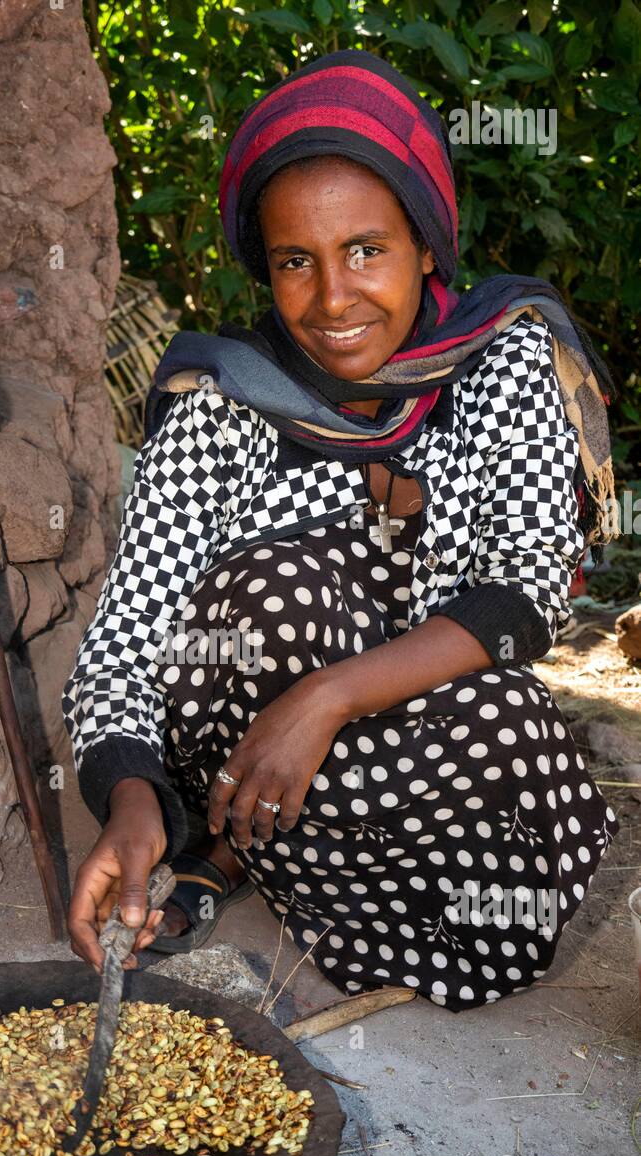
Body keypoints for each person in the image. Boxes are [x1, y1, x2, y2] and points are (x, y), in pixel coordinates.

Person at [62, 49, 618, 1011]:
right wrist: (132, 803)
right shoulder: (220, 404)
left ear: (427, 243)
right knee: (268, 597)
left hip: (404, 727)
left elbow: (525, 592)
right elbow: (121, 652)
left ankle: (255, 860)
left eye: (367, 250)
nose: (332, 300)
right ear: (263, 266)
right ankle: (231, 843)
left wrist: (327, 698)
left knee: (520, 741)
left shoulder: (505, 357)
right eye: (294, 262)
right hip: (247, 751)